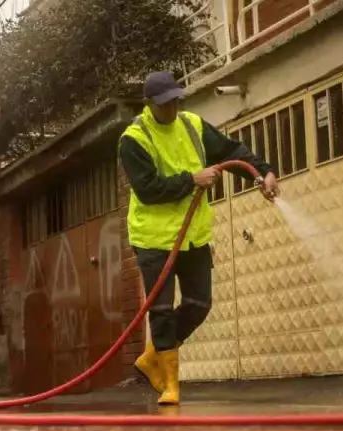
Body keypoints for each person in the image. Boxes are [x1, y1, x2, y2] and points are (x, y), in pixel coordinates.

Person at [119, 71, 279, 406]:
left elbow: (230, 149)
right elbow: (148, 190)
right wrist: (192, 179)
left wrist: (262, 171)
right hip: (153, 238)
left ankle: (152, 359)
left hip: (192, 235)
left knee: (199, 303)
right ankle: (170, 384)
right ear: (149, 104)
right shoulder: (133, 138)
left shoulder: (192, 124)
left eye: (177, 99)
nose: (173, 107)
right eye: (165, 103)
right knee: (161, 309)